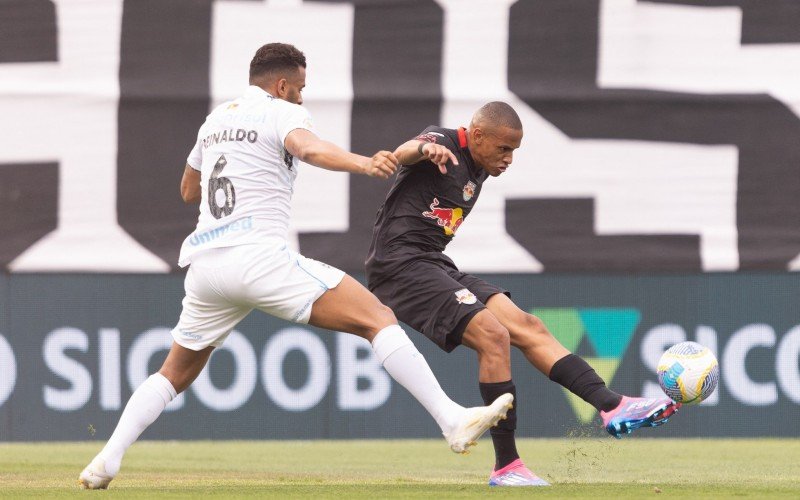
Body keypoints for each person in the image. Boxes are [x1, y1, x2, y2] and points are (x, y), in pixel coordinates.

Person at [78, 44, 513, 490]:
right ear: (282, 85)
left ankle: (106, 461)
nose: (302, 98)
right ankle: (451, 419)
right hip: (258, 257)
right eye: (301, 88)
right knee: (378, 319)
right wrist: (364, 162)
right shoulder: (282, 112)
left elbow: (189, 189)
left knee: (173, 373)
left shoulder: (215, 120)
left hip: (206, 267)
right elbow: (309, 148)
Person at [365, 101, 681, 487]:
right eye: (503, 148)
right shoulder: (443, 141)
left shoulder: (478, 169)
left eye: (514, 150)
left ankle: (613, 406)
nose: (509, 158)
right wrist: (422, 149)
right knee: (494, 335)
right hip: (399, 267)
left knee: (526, 325)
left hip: (432, 262)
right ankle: (507, 466)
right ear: (477, 135)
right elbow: (402, 153)